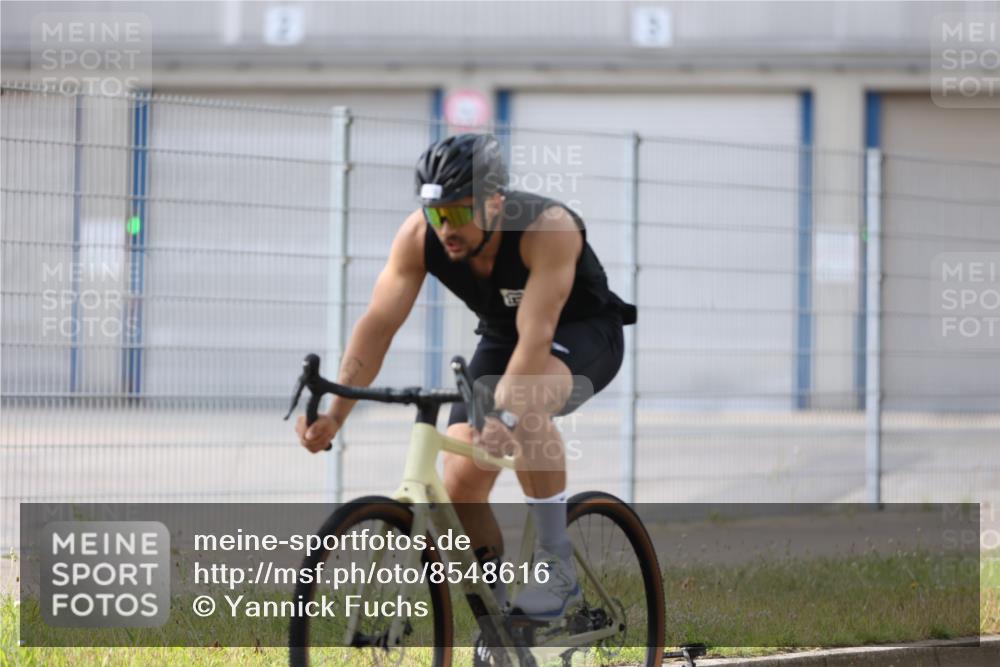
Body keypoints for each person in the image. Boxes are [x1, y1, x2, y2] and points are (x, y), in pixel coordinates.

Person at [296, 133, 635, 621]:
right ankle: (500, 621)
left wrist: (507, 412)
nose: (445, 229)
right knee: (458, 481)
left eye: (457, 213)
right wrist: (335, 415)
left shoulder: (547, 228)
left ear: (495, 202)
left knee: (526, 407)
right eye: (436, 215)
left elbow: (537, 335)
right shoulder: (419, 237)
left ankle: (557, 566)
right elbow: (378, 325)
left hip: (581, 332)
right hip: (502, 335)